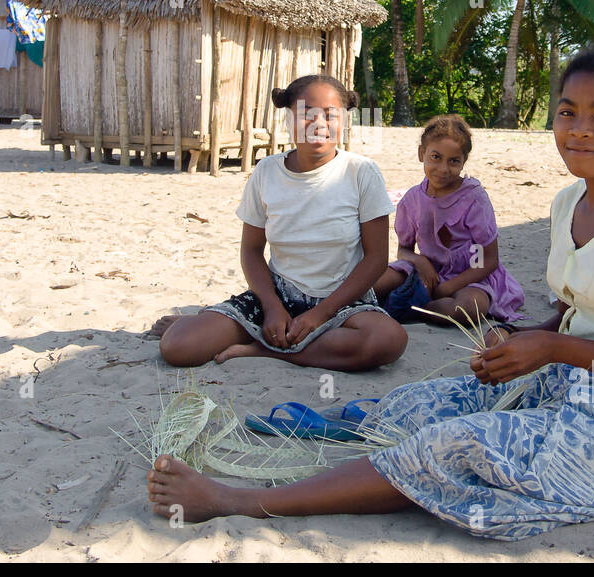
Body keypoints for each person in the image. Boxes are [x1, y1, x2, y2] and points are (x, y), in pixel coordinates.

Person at [146, 48, 594, 539]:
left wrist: (553, 351)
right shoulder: (569, 202)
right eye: (568, 112)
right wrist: (523, 339)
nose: (579, 129)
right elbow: (582, 314)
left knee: (457, 444)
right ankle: (310, 434)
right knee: (422, 403)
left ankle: (241, 502)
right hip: (578, 378)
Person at [156, 74, 407, 371]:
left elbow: (377, 259)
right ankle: (260, 332)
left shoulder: (362, 172)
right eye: (306, 114)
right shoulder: (267, 173)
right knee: (178, 346)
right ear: (288, 118)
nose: (319, 124)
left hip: (342, 301)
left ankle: (264, 351)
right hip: (278, 295)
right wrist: (272, 307)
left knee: (387, 340)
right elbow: (251, 251)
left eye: (330, 115)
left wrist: (321, 314)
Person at [371, 115, 526, 326]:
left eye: (454, 161)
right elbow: (403, 251)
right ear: (421, 154)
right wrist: (421, 261)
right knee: (376, 282)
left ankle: (413, 309)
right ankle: (375, 304)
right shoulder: (412, 200)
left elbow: (487, 260)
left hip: (471, 276)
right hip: (427, 273)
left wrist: (447, 288)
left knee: (466, 310)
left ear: (463, 162)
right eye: (436, 157)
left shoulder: (473, 199)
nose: (443, 169)